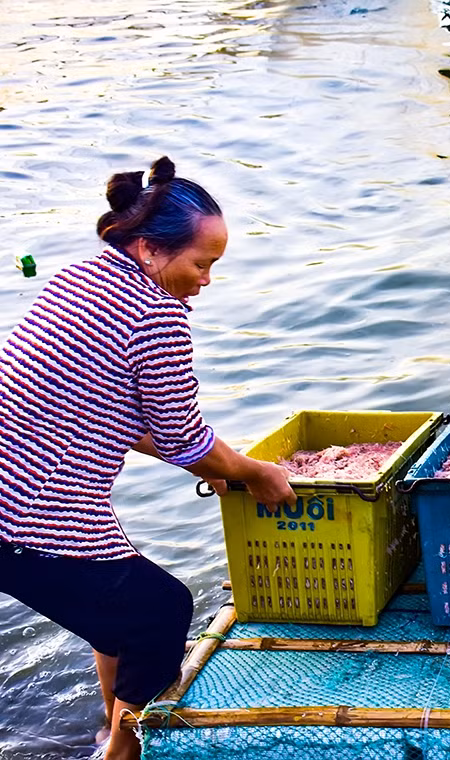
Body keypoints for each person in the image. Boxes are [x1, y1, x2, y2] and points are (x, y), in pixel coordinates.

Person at [0, 157, 296, 760]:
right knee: (161, 610)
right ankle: (125, 753)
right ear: (149, 249)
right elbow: (184, 438)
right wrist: (254, 473)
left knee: (122, 610)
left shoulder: (78, 278)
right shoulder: (155, 314)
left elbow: (116, 413)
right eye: (201, 264)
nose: (206, 280)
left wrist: (221, 459)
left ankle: (110, 728)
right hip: (26, 518)